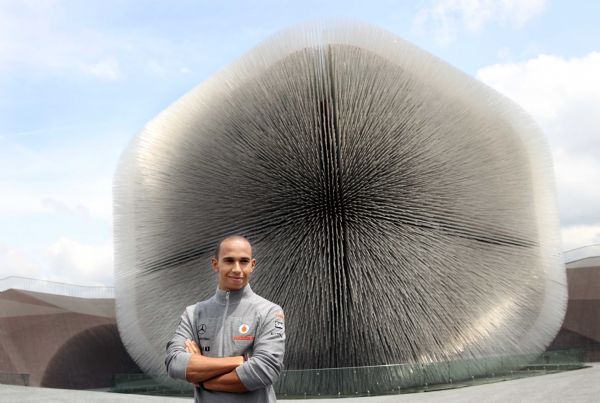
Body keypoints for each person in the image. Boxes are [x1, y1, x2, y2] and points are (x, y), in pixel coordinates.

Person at [165, 235, 285, 402]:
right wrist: (239, 361)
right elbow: (174, 363)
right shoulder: (193, 314)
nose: (237, 269)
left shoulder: (269, 311)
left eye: (244, 261)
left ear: (252, 265)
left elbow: (264, 370)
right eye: (229, 261)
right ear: (215, 264)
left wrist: (202, 378)